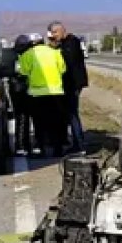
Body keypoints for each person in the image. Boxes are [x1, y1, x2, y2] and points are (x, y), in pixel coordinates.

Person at [17, 32, 68, 157]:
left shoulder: (28, 55)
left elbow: (23, 72)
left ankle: (41, 149)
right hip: (56, 92)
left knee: (39, 123)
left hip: (36, 94)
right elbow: (63, 69)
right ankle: (58, 149)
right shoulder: (55, 52)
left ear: (32, 43)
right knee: (56, 122)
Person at [47, 21, 89, 151]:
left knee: (72, 113)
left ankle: (79, 143)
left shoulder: (72, 42)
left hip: (73, 83)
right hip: (69, 83)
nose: (54, 36)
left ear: (61, 30)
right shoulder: (65, 43)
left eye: (55, 33)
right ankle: (75, 141)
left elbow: (68, 61)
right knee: (69, 113)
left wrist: (56, 49)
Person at [8, 33, 37, 156]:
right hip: (22, 88)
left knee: (21, 118)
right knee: (24, 118)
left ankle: (22, 145)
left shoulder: (11, 55)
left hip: (16, 88)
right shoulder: (25, 55)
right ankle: (23, 145)